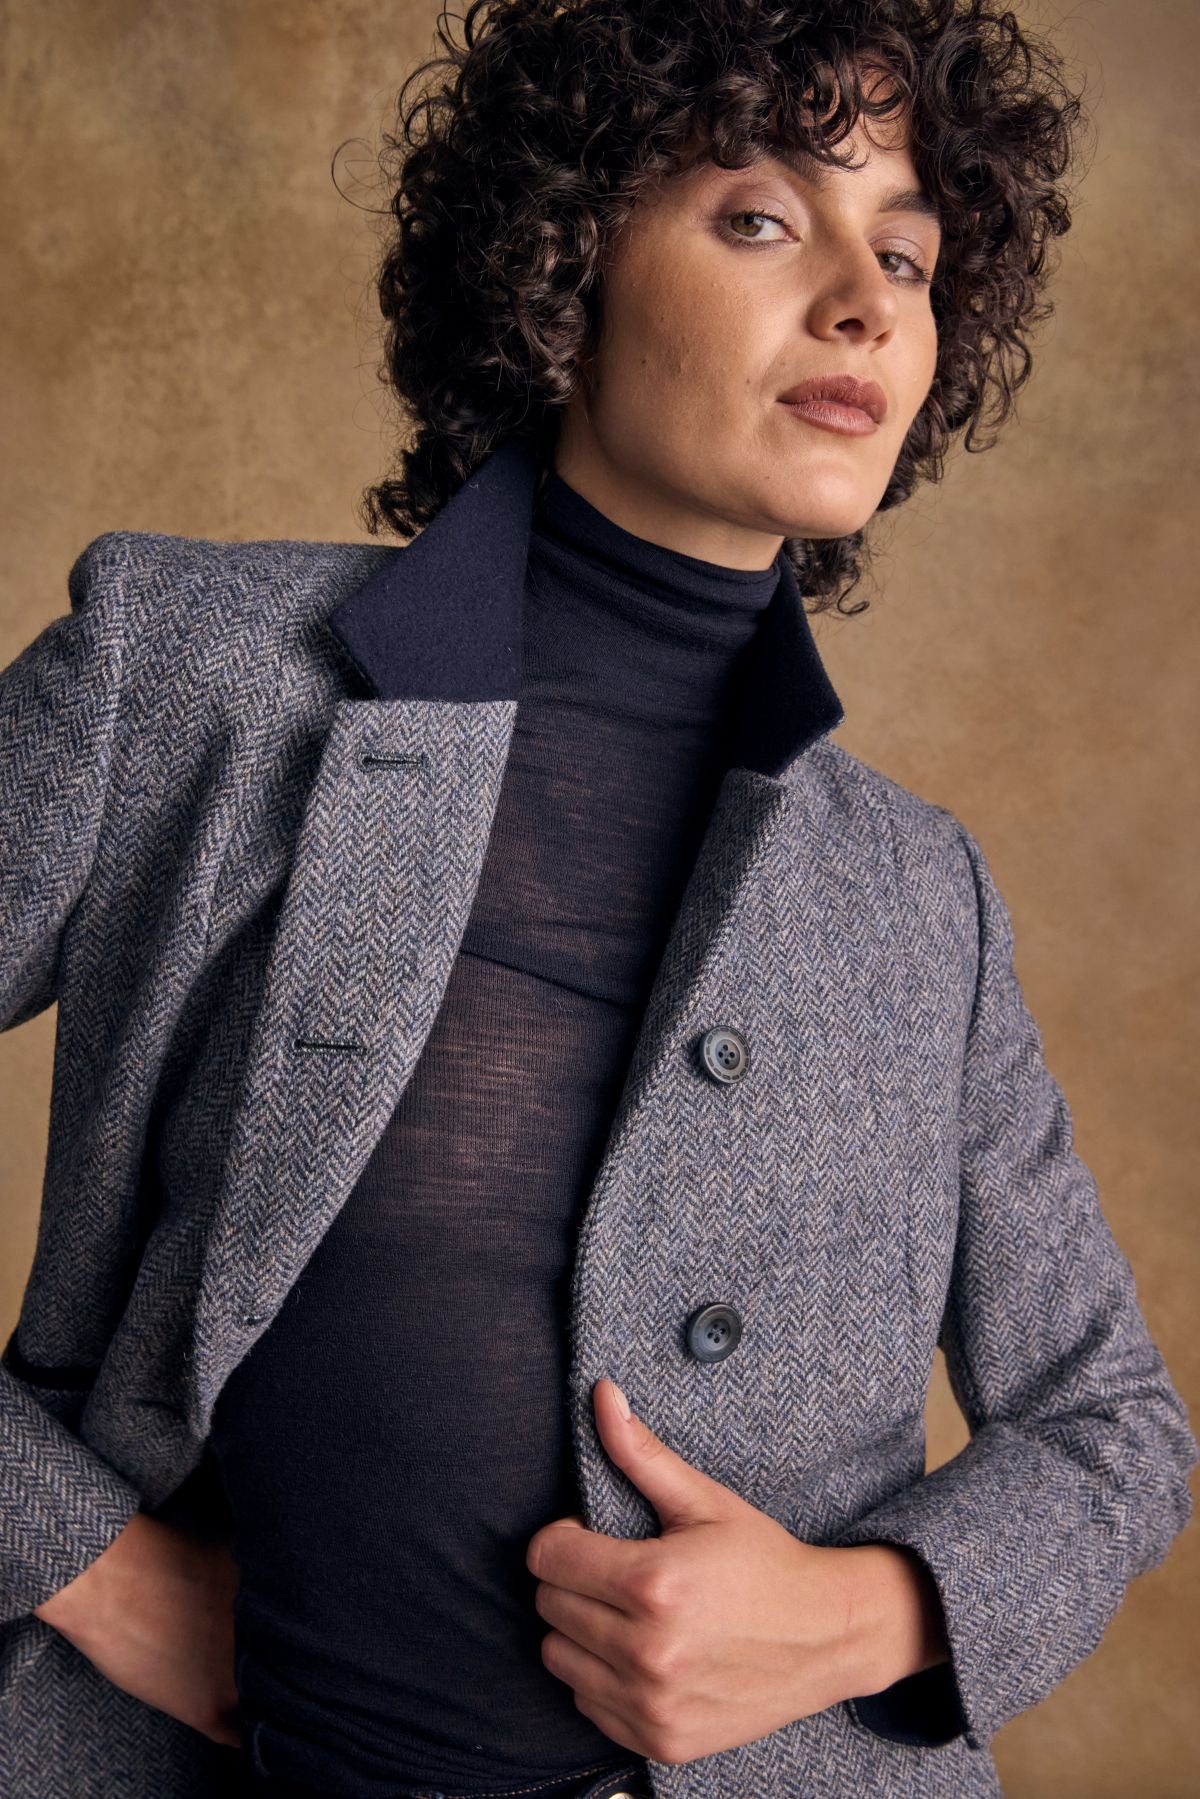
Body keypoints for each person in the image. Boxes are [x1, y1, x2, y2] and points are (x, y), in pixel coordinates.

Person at [2, 4, 1195, 1798]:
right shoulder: (183, 675)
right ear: (561, 265)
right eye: (763, 218)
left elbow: (1114, 1429)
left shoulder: (922, 895)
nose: (866, 305)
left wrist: (865, 1613)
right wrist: (83, 1563)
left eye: (909, 255)